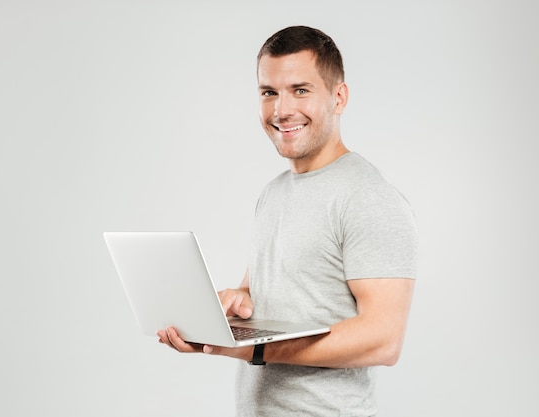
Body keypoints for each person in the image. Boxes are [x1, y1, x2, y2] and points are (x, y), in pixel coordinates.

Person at [157, 25, 418, 416]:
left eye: (301, 90)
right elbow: (256, 293)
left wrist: (255, 348)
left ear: (339, 97)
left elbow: (383, 340)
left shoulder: (368, 197)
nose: (282, 110)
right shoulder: (274, 193)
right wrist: (227, 311)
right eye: (269, 92)